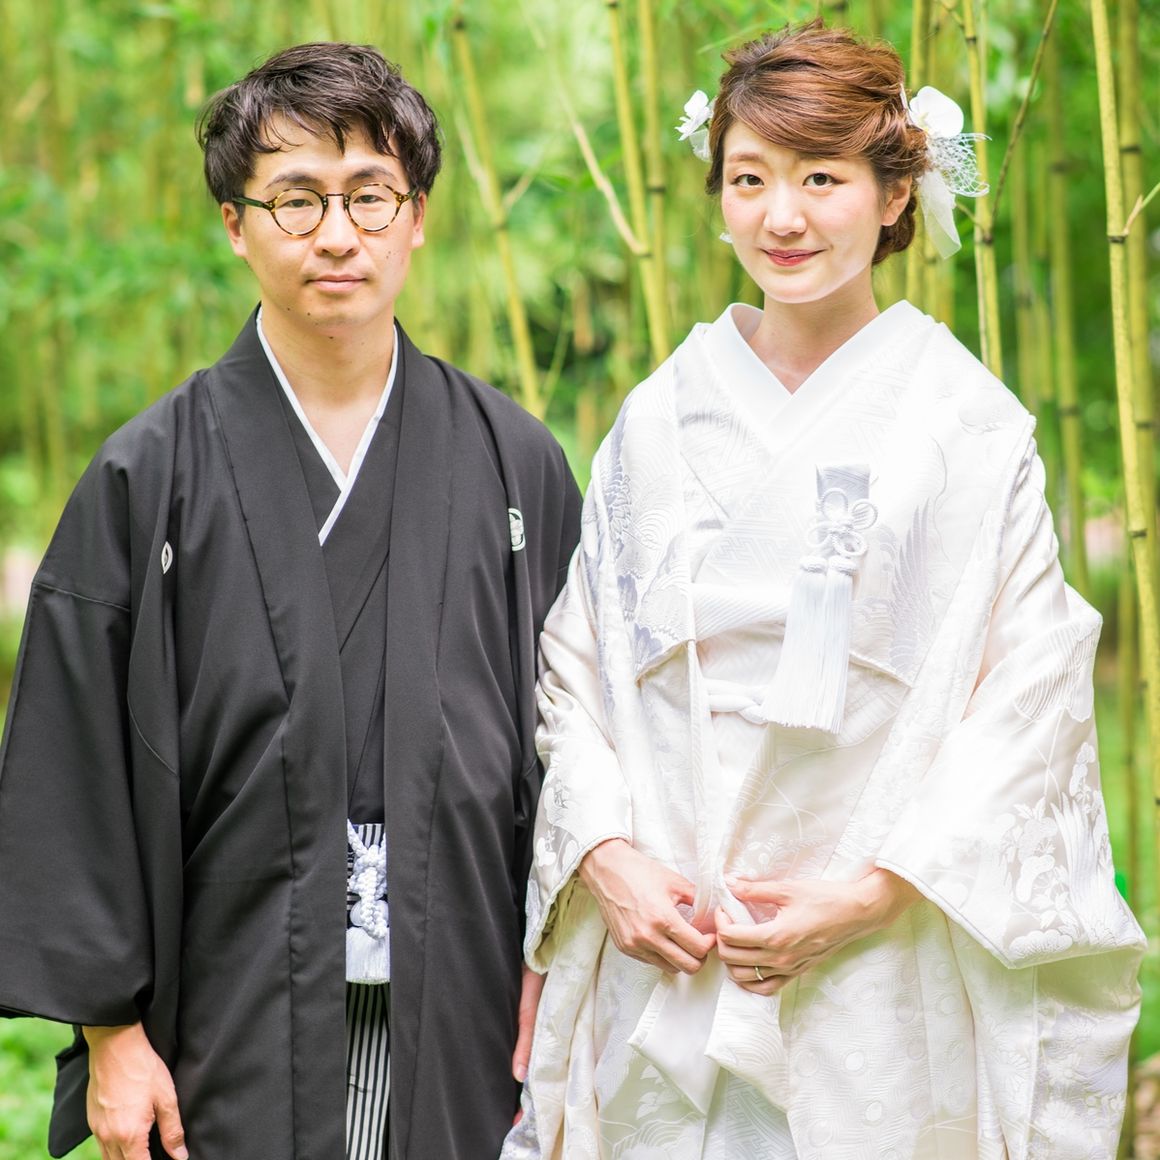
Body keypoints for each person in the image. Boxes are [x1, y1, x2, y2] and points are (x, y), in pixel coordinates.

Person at [503, 21, 1144, 1160]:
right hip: (676, 933)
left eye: (820, 178)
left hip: (875, 941)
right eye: (748, 178)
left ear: (894, 194)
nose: (781, 216)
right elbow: (577, 665)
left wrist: (875, 892)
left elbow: (1030, 698)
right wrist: (607, 857)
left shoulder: (965, 423)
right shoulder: (659, 416)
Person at [0, 42, 580, 1160]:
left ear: (417, 216)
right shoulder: (148, 475)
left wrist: (563, 958)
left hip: (464, 995)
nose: (337, 233)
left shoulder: (514, 462)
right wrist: (112, 1034)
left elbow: (584, 734)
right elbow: (73, 763)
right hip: (231, 1008)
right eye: (296, 199)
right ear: (236, 224)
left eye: (370, 196)